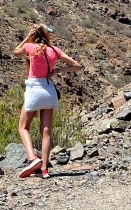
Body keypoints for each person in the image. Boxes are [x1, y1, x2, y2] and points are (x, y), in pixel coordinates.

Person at [13, 25, 81, 180]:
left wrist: (27, 38)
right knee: (46, 131)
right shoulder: (55, 50)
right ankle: (44, 169)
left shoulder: (30, 47)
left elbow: (16, 52)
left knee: (23, 127)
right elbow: (76, 66)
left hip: (34, 89)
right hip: (49, 90)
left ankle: (32, 158)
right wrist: (57, 71)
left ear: (34, 35)